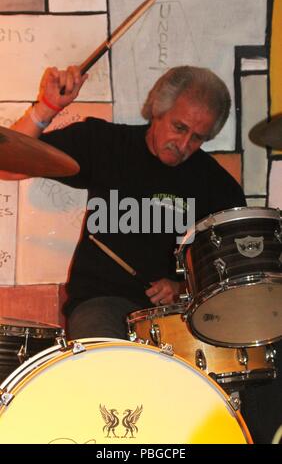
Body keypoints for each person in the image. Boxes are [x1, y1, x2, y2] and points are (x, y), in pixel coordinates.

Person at [4, 64, 281, 443]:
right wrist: (45, 108)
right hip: (104, 300)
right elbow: (11, 162)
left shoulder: (214, 182)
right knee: (108, 377)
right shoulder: (104, 142)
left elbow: (231, 281)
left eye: (198, 138)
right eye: (179, 128)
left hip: (182, 317)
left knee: (261, 368)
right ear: (156, 109)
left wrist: (183, 290)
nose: (183, 145)